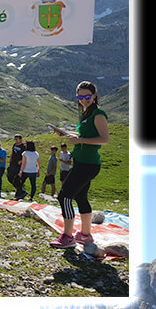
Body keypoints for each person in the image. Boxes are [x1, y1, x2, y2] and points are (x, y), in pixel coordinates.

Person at [49, 81, 110, 248]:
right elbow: (85, 134)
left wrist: (80, 140)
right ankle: (85, 235)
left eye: (87, 96)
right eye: (80, 97)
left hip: (88, 164)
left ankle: (68, 237)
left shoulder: (98, 114)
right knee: (81, 197)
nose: (84, 100)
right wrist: (67, 134)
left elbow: (104, 139)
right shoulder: (86, 113)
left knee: (64, 197)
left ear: (95, 96)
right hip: (82, 162)